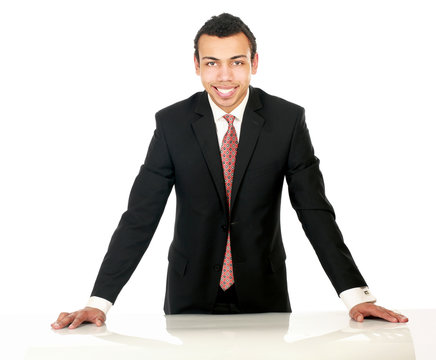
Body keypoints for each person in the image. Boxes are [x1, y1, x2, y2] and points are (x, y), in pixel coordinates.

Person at [52, 13, 408, 330]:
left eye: (236, 62)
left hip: (263, 294)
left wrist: (355, 295)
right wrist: (99, 302)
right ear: (196, 65)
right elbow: (140, 216)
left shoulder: (287, 121)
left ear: (254, 62)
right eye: (212, 63)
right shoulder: (172, 123)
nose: (224, 76)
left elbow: (314, 211)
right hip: (188, 295)